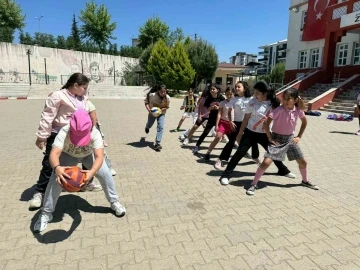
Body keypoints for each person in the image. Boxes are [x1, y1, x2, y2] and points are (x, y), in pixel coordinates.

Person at [34, 110, 126, 233]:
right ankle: (46, 213)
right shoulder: (64, 131)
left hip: (89, 155)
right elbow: (54, 154)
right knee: (55, 179)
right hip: (68, 155)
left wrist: (92, 171)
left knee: (106, 175)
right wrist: (57, 168)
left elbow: (99, 156)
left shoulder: (95, 132)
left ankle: (114, 202)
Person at [30, 73, 99, 210]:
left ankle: (83, 183)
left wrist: (93, 129)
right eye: (84, 87)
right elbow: (47, 116)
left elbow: (86, 115)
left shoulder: (83, 97)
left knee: (86, 157)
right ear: (75, 85)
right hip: (58, 134)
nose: (85, 90)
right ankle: (40, 193)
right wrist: (42, 136)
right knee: (50, 163)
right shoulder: (58, 96)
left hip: (79, 135)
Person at [219, 81, 296, 185]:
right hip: (250, 133)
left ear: (265, 93)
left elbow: (290, 106)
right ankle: (226, 175)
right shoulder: (252, 102)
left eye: (257, 93)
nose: (255, 95)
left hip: (265, 134)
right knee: (239, 153)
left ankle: (283, 170)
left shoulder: (274, 103)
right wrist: (239, 134)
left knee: (273, 152)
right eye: (254, 93)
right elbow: (245, 119)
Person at [246, 88, 319, 195]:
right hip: (277, 140)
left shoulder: (298, 110)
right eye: (283, 98)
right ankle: (253, 184)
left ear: (295, 100)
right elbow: (266, 123)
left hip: (290, 139)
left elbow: (304, 121)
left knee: (303, 162)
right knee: (266, 162)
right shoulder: (279, 110)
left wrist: (299, 136)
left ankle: (305, 181)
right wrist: (270, 138)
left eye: (288, 99)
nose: (284, 101)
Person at [214, 82, 260, 170]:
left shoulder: (251, 99)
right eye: (236, 87)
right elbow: (229, 111)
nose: (237, 88)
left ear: (245, 88)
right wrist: (231, 121)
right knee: (231, 141)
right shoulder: (234, 99)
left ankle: (255, 157)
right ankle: (220, 159)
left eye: (239, 87)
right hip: (237, 123)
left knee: (254, 140)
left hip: (248, 123)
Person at [191, 84, 225, 154]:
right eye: (211, 89)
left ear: (217, 90)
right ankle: (197, 146)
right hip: (212, 118)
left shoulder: (221, 98)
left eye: (213, 89)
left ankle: (234, 143)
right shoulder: (209, 98)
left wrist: (218, 108)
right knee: (205, 132)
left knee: (227, 133)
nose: (211, 90)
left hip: (220, 119)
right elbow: (207, 109)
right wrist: (211, 108)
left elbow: (225, 108)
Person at [204, 87, 234, 161]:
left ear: (234, 94)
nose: (229, 96)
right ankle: (208, 152)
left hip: (232, 124)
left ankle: (243, 152)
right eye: (227, 94)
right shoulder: (222, 103)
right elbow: (219, 114)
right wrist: (217, 125)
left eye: (231, 94)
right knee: (217, 137)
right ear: (225, 94)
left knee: (235, 140)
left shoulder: (236, 102)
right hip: (223, 123)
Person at [144, 85, 170, 151]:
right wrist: (149, 110)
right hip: (152, 113)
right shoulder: (152, 95)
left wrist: (160, 110)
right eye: (162, 92)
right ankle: (147, 127)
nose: (164, 93)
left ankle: (157, 143)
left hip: (161, 113)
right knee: (150, 124)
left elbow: (166, 106)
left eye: (165, 91)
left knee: (160, 126)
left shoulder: (167, 98)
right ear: (158, 91)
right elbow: (146, 102)